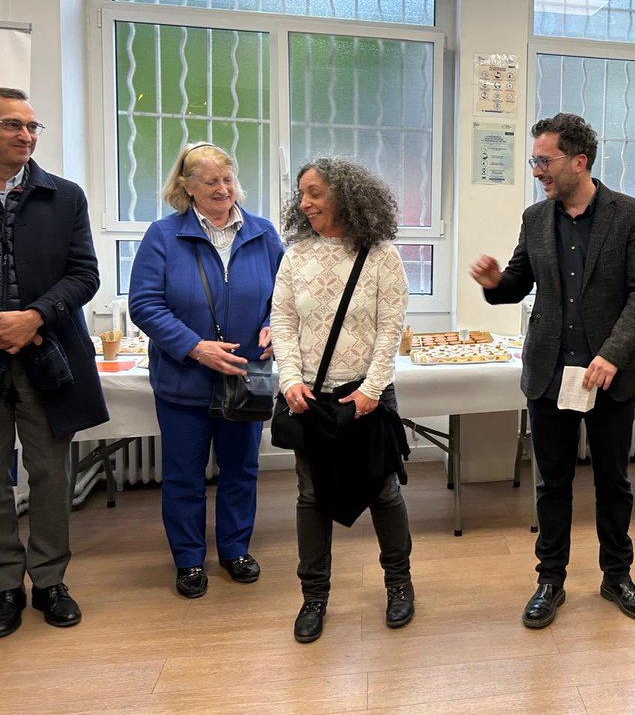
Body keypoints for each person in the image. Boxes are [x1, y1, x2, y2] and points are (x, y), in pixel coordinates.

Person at [471, 113, 635, 629]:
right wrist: (494, 283)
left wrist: (613, 353)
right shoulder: (536, 219)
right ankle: (549, 579)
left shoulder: (631, 216)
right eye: (536, 160)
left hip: (609, 375)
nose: (537, 170)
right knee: (552, 483)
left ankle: (616, 576)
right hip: (550, 373)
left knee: (613, 481)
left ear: (579, 161)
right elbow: (516, 282)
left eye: (544, 160)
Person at [128, 143, 284, 599]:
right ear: (186, 187)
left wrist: (275, 325)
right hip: (184, 379)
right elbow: (145, 305)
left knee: (241, 470)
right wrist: (196, 348)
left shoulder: (263, 233)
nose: (223, 189)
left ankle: (235, 550)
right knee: (184, 476)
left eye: (228, 179)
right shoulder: (163, 235)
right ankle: (189, 560)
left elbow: (285, 296)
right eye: (211, 181)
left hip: (245, 376)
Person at [272, 157, 411, 643]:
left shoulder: (382, 255)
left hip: (366, 397)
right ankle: (314, 597)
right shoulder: (295, 256)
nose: (303, 203)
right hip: (311, 398)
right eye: (301, 194)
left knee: (383, 491)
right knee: (311, 495)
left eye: (314, 193)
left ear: (345, 196)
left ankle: (399, 584)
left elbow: (390, 328)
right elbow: (284, 323)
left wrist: (371, 390)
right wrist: (289, 378)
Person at [0, 87, 109, 636]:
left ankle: (48, 582)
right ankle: (3, 585)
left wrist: (34, 316)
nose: (25, 135)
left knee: (49, 473)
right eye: (12, 125)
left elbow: (86, 273)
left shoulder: (64, 197)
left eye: (32, 126)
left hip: (50, 357)